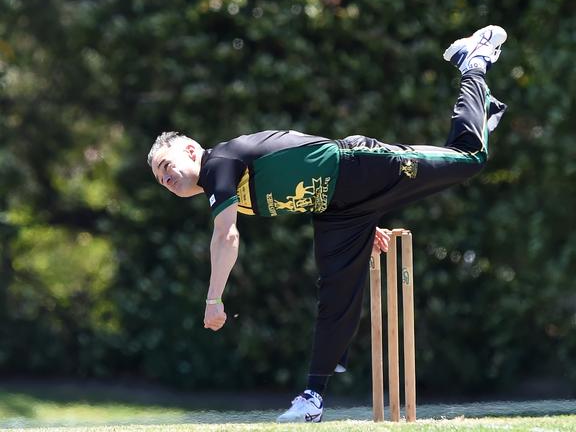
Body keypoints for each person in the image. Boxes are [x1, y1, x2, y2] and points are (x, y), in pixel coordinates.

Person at [147, 25, 508, 422]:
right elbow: (295, 181)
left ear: (191, 149)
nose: (168, 180)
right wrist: (361, 224)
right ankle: (312, 400)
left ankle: (474, 63)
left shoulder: (219, 163)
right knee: (335, 296)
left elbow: (225, 235)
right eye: (162, 181)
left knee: (468, 158)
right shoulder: (225, 183)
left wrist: (214, 299)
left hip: (361, 167)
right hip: (339, 210)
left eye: (167, 167)